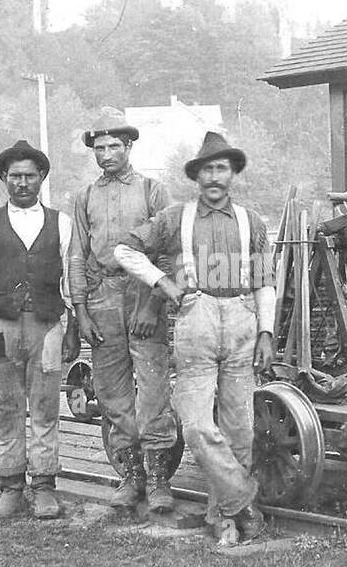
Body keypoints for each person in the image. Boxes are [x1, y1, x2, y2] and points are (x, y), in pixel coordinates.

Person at [115, 131, 275, 544]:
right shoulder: (175, 219)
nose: (215, 177)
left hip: (241, 319)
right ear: (197, 176)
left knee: (240, 429)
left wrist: (266, 331)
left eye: (222, 168)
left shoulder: (251, 221)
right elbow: (125, 251)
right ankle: (242, 499)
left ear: (233, 173)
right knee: (197, 426)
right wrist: (163, 283)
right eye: (207, 169)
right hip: (195, 320)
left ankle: (222, 518)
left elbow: (264, 284)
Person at [70, 107, 179, 513]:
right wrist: (80, 309)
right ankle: (130, 475)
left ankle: (158, 479)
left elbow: (168, 254)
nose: (107, 154)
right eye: (100, 147)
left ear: (129, 146)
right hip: (101, 296)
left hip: (142, 292)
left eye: (115, 145)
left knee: (152, 391)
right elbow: (77, 255)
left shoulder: (153, 191)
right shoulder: (84, 197)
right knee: (113, 393)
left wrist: (153, 303)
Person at [0, 140, 74, 520]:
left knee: (45, 406)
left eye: (30, 176)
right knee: (6, 406)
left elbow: (70, 279)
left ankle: (44, 487)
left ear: (42, 178)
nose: (22, 183)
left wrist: (71, 323)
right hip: (1, 326)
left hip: (46, 325)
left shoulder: (62, 222)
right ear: (4, 180)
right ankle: (10, 487)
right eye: (15, 177)